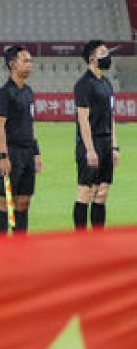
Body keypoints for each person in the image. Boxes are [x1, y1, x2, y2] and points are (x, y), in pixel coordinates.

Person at [0, 45, 40, 236]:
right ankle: (1, 247)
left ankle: (20, 245)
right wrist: (4, 156)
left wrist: (36, 152)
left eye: (30, 61)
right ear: (13, 64)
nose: (30, 64)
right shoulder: (4, 93)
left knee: (24, 202)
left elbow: (31, 123)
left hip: (28, 152)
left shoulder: (28, 91)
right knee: (6, 202)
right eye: (25, 60)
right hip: (11, 152)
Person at [72, 40, 118, 231]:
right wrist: (90, 150)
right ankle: (81, 240)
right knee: (86, 191)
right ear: (92, 58)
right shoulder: (84, 84)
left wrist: (114, 146)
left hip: (106, 143)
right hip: (91, 143)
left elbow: (111, 116)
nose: (107, 55)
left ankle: (98, 239)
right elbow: (83, 119)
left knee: (102, 192)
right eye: (102, 52)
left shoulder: (107, 83)